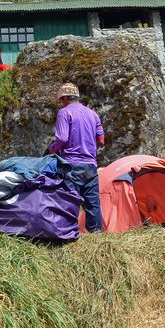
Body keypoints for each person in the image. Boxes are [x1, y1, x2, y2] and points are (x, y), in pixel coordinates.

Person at [47, 82, 104, 233]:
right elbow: (101, 140)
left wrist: (52, 149)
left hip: (71, 164)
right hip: (90, 165)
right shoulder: (92, 114)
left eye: (61, 100)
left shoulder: (64, 112)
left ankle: (70, 235)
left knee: (69, 202)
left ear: (64, 98)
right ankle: (96, 235)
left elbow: (62, 139)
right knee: (93, 205)